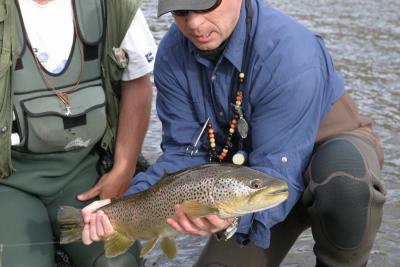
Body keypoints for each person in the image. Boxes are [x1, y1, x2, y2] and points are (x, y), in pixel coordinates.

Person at [82, 0, 387, 266]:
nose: (194, 23)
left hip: (322, 149)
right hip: (249, 180)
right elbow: (184, 155)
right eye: (180, 11)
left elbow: (280, 172)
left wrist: (234, 218)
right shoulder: (173, 54)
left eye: (205, 5)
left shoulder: (290, 50)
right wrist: (123, 208)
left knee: (346, 186)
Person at [0, 0, 156, 266]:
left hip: (87, 172)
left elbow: (138, 81)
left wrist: (123, 169)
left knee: (116, 262)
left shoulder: (115, 5)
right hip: (10, 180)